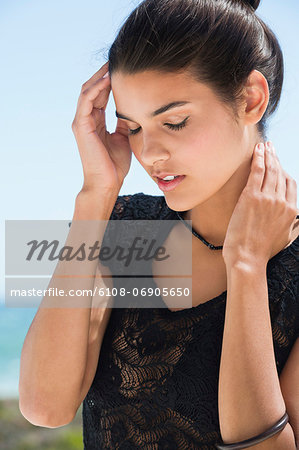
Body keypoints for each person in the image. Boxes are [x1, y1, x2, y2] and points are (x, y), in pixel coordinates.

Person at [19, 0, 299, 448]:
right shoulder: (128, 227)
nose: (149, 154)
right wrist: (96, 197)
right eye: (132, 127)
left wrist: (247, 267)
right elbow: (45, 406)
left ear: (251, 99)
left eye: (174, 121)